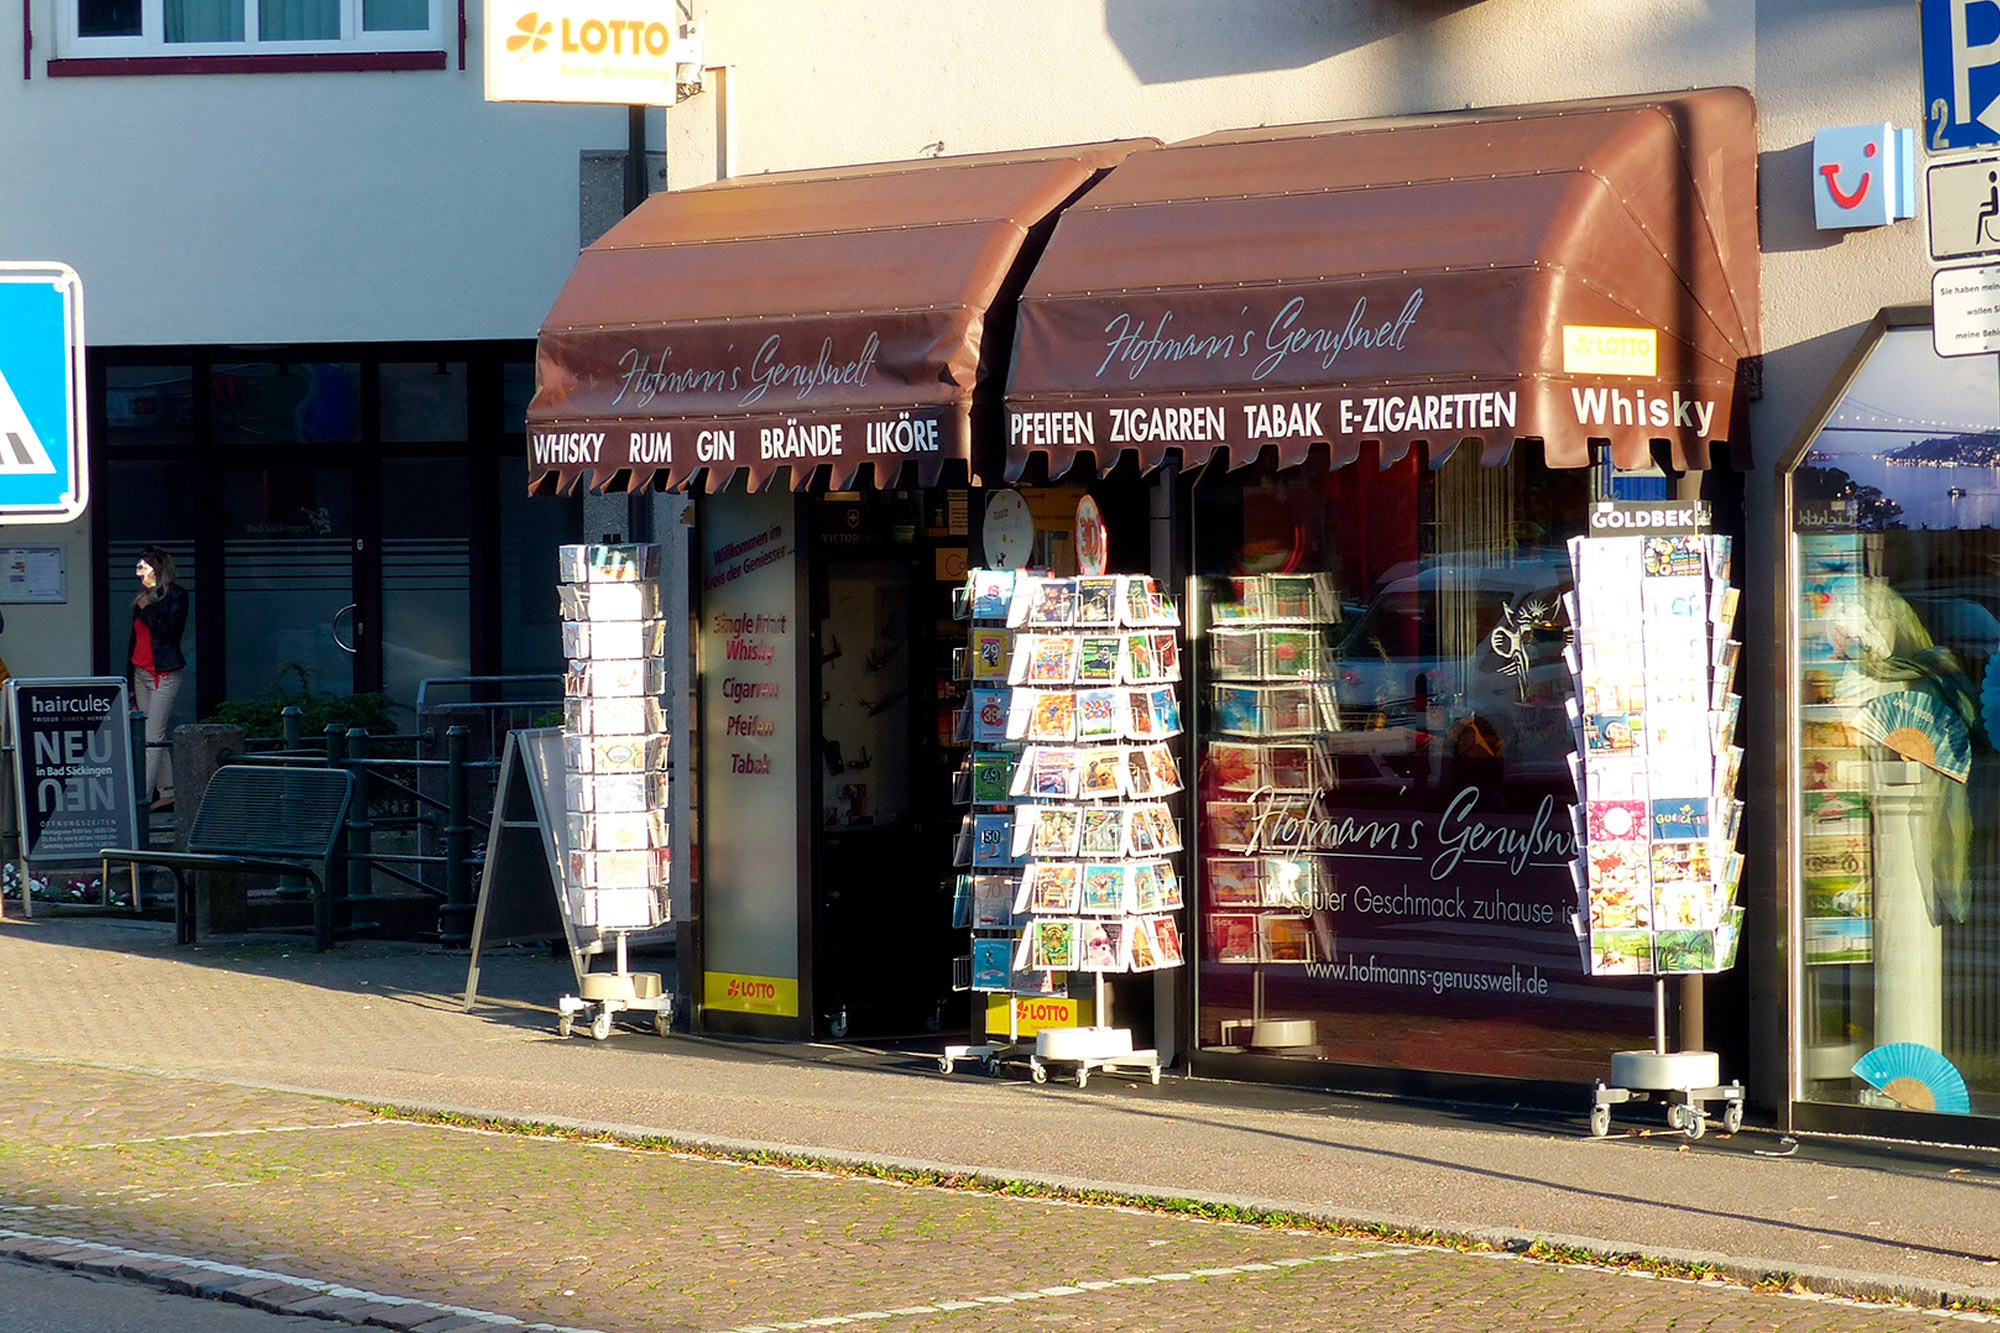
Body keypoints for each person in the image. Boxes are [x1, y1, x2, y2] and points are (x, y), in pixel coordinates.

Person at [129, 547, 189, 811]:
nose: (139, 572)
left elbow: (170, 632)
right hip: (141, 671)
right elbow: (134, 642)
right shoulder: (144, 598)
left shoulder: (176, 595)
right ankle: (167, 790)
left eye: (144, 567)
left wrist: (149, 609)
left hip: (163, 671)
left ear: (158, 570)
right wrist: (129, 683)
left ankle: (139, 797)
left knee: (151, 736)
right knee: (152, 732)